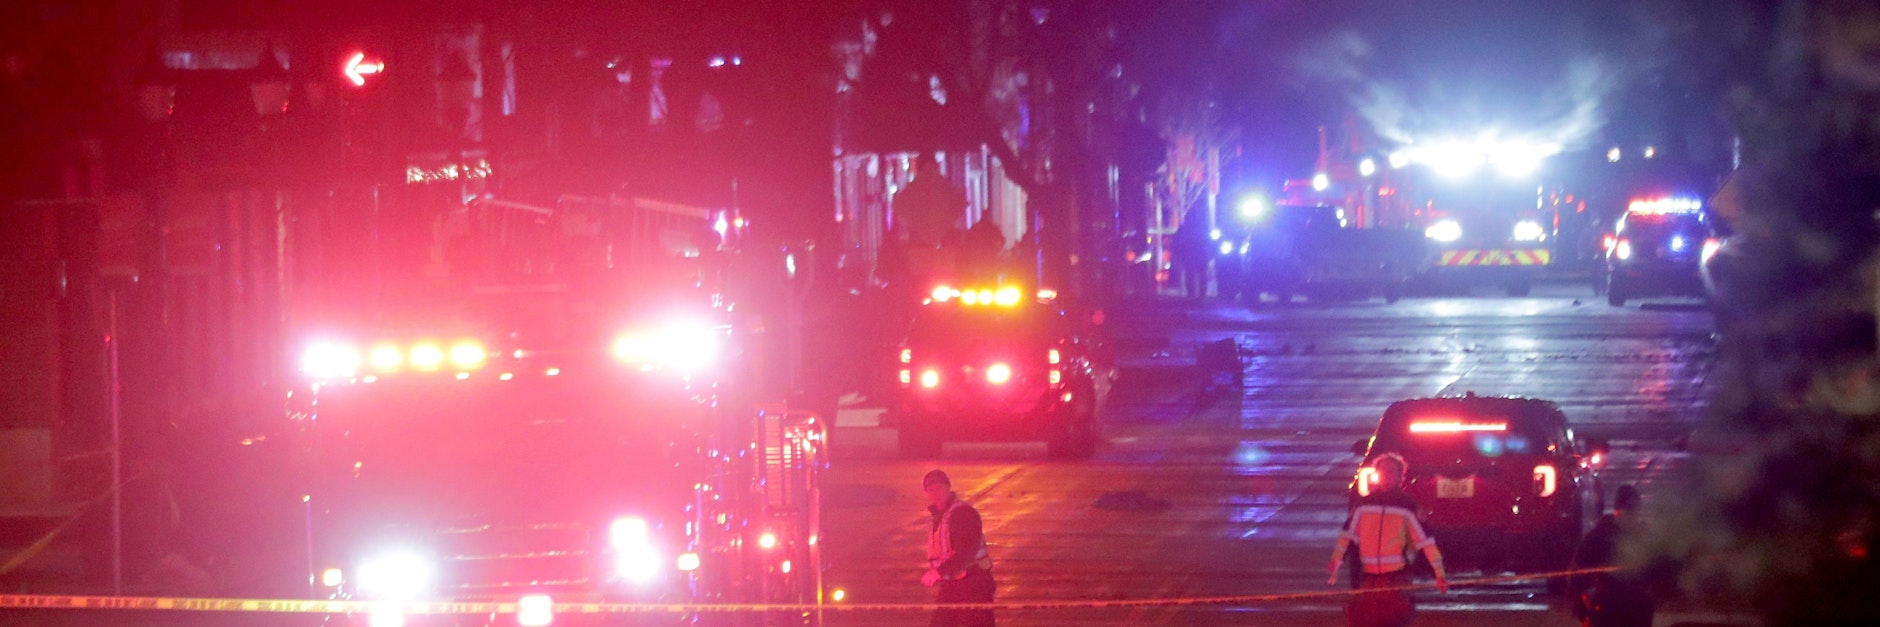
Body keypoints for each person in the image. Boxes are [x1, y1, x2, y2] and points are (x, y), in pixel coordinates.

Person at [1328, 454, 1449, 627]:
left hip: (1397, 579)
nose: (1387, 475)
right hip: (1369, 578)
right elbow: (1346, 536)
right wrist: (1336, 561)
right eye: (1383, 471)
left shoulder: (1408, 506)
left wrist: (1439, 573)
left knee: (1394, 620)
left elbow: (1426, 542)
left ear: (1401, 477)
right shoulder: (1364, 505)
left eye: (1391, 472)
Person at [1571, 484, 1655, 627]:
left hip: (1637, 610)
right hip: (1606, 610)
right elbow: (1578, 575)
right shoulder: (1600, 537)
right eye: (1628, 512)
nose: (1632, 518)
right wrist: (1583, 607)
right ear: (1618, 511)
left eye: (1634, 512)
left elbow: (1657, 571)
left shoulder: (1645, 536)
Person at [921, 469, 995, 627]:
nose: (935, 493)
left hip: (974, 584)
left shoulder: (962, 514)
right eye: (931, 490)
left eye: (939, 488)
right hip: (952, 584)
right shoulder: (939, 517)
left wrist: (938, 572)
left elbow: (966, 552)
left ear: (948, 488)